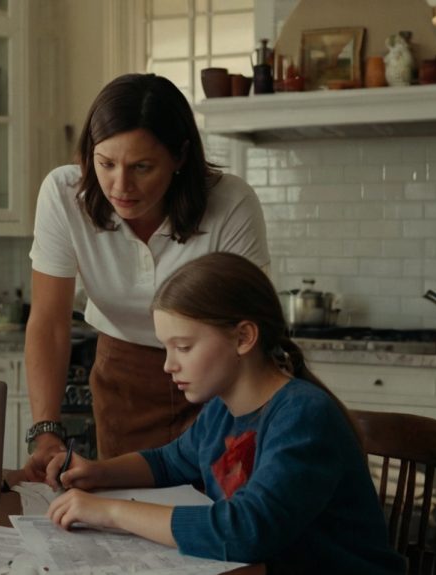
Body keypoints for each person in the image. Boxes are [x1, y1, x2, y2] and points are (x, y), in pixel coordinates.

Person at [44, 253, 406, 574]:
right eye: (166, 348)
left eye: (183, 347)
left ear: (243, 337)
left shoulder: (303, 416)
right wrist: (97, 472)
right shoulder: (222, 410)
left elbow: (246, 531)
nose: (169, 365)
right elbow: (169, 462)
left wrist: (109, 512)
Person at [25, 73, 269, 478]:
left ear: (180, 157)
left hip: (218, 379)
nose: (120, 186)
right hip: (124, 377)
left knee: (218, 509)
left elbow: (252, 330)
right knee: (129, 509)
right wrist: (46, 431)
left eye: (142, 167)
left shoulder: (232, 203)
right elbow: (49, 323)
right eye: (106, 164)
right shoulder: (63, 194)